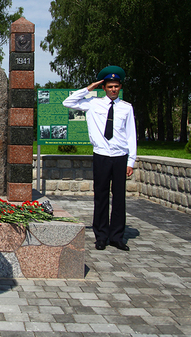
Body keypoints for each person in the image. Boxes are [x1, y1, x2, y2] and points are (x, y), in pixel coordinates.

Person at [63, 66, 137, 251]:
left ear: (120, 87)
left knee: (119, 198)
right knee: (101, 196)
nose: (113, 89)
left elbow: (131, 135)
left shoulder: (126, 108)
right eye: (110, 86)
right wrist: (89, 88)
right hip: (102, 156)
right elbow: (68, 102)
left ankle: (117, 237)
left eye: (116, 86)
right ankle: (101, 236)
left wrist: (131, 161)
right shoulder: (93, 103)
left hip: (120, 156)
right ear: (104, 87)